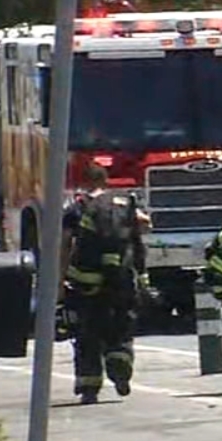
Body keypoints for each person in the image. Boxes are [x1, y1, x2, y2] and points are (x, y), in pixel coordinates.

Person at [61, 164, 146, 404]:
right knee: (120, 326)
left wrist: (59, 280)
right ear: (105, 180)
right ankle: (119, 364)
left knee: (87, 332)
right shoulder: (122, 202)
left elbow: (65, 244)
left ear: (84, 181)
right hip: (120, 277)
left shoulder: (77, 208)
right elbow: (144, 224)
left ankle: (89, 387)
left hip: (86, 280)